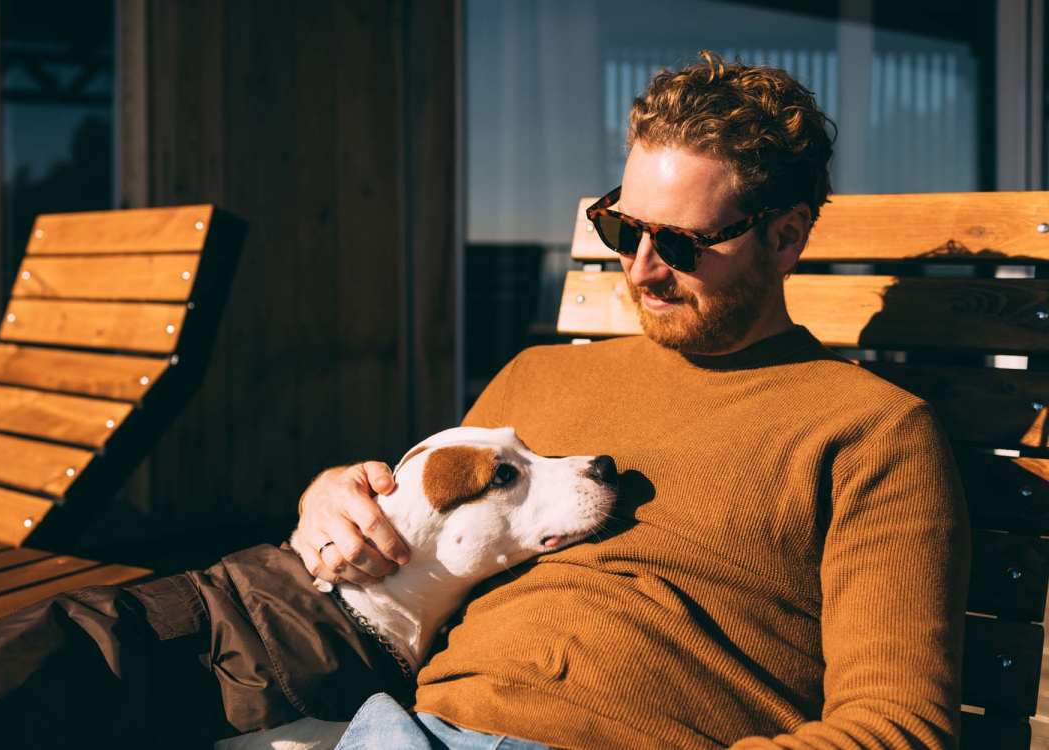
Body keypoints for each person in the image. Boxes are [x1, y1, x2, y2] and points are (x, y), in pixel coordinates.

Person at [290, 50, 970, 749]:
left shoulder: (869, 432)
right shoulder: (535, 378)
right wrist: (331, 503)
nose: (642, 269)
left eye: (680, 244)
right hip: (406, 730)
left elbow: (896, 729)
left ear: (785, 237)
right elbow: (416, 557)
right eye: (622, 228)